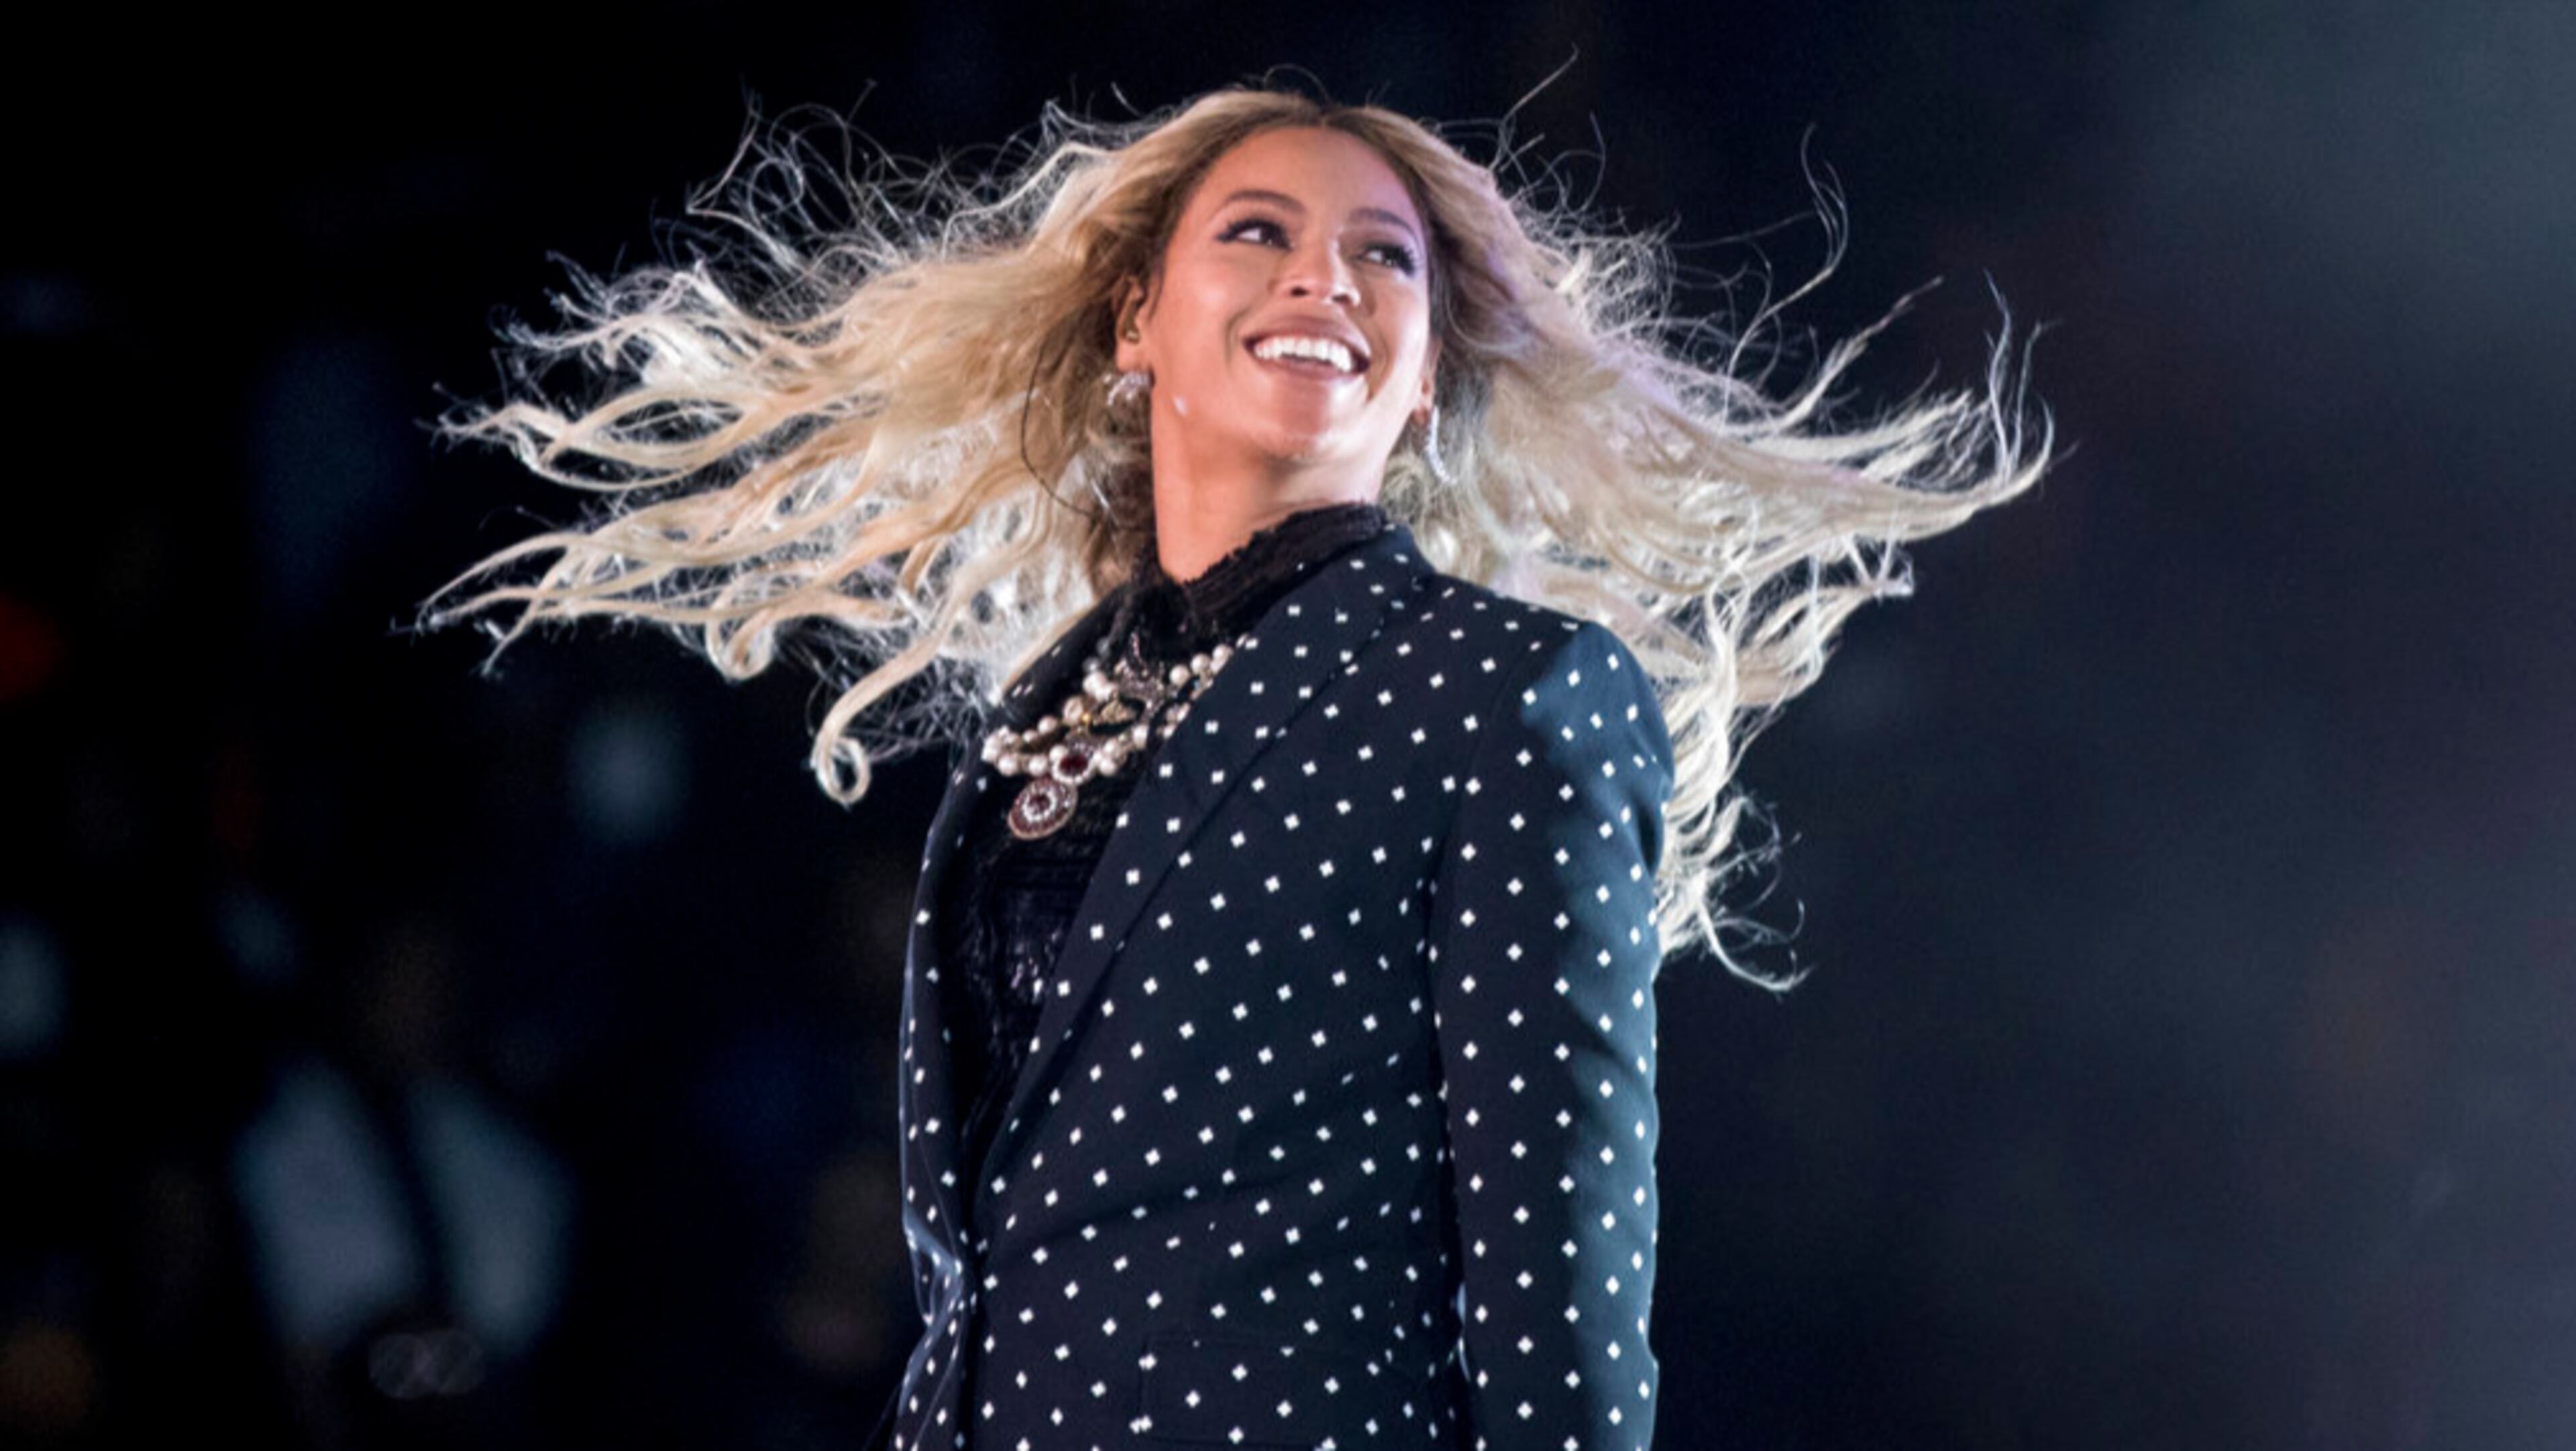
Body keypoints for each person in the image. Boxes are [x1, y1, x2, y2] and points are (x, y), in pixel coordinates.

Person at [431, 87, 2045, 1450]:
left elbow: (1561, 1277)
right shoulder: (1044, 710)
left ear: (1424, 376)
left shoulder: (1509, 690)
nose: (1322, 277)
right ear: (1139, 318)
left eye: (1382, 257)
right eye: (1259, 230)